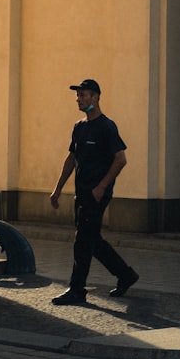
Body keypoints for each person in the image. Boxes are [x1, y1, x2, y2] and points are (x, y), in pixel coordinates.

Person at [49, 79, 139, 305]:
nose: (79, 99)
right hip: (81, 192)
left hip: (97, 194)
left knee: (82, 241)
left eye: (84, 95)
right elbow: (71, 159)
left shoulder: (106, 127)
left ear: (96, 98)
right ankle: (126, 275)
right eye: (78, 96)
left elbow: (121, 159)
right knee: (92, 240)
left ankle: (77, 290)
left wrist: (102, 186)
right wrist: (58, 189)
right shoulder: (79, 127)